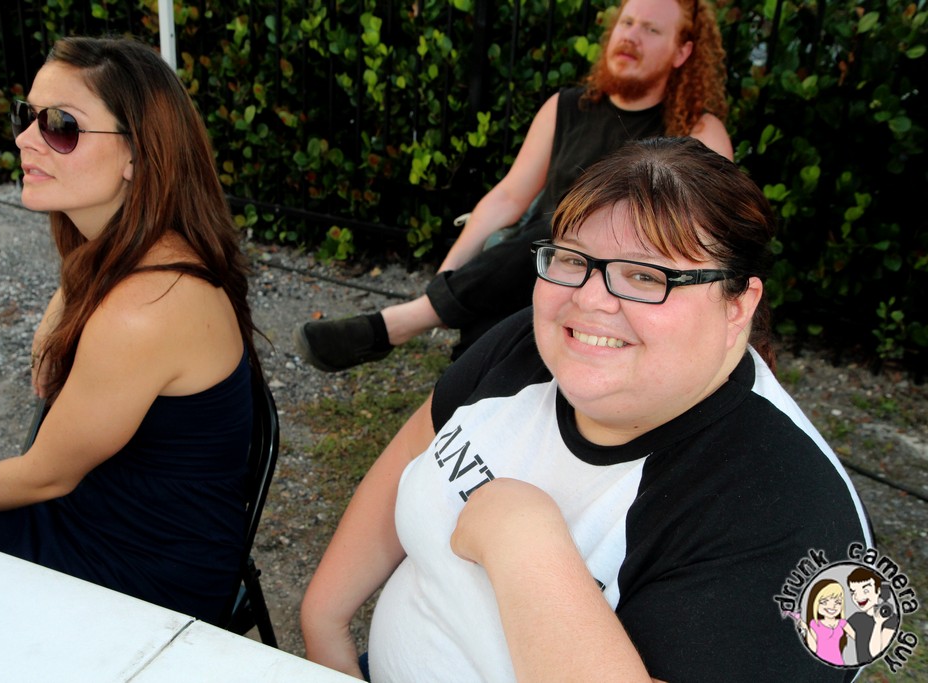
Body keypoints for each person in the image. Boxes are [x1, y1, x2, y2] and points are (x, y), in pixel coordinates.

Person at [299, 138, 873, 682]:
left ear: (738, 305)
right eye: (573, 260)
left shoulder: (799, 516)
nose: (590, 298)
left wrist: (526, 545)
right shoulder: (523, 347)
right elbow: (411, 453)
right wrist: (324, 625)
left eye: (646, 275)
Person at [0, 36, 261, 624]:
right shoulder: (129, 249)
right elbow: (47, 373)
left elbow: (43, 475)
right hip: (91, 522)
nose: (25, 139)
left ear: (137, 155)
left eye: (61, 125)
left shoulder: (145, 305)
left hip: (138, 578)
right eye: (28, 117)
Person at [294, 0, 733, 371]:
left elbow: (701, 242)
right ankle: (455, 388)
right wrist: (450, 274)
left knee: (565, 229)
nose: (631, 37)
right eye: (627, 23)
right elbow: (507, 197)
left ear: (682, 52)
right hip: (533, 273)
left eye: (651, 30)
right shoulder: (566, 107)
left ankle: (397, 326)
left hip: (621, 287)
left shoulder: (699, 133)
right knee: (490, 334)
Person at [846, 567, 899, 663]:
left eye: (865, 591)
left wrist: (878, 623)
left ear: (878, 591)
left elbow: (875, 653)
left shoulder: (891, 619)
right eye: (853, 592)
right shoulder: (856, 617)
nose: (858, 597)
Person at [803, 580, 856, 666]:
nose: (832, 606)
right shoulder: (814, 624)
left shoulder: (842, 623)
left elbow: (858, 638)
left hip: (838, 663)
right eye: (824, 602)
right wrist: (806, 629)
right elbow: (813, 648)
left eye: (838, 602)